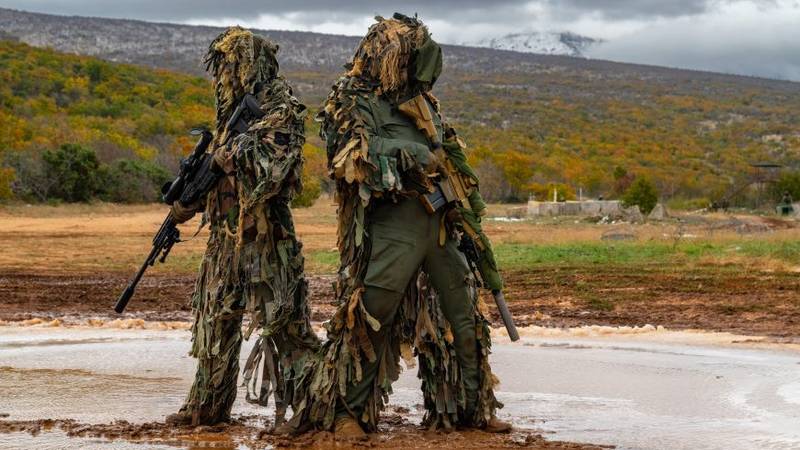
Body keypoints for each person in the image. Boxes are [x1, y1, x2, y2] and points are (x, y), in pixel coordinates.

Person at [285, 13, 511, 439]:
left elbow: (448, 150)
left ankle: (473, 408)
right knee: (371, 318)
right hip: (393, 222)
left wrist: (467, 199)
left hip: (439, 224)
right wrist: (408, 153)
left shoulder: (424, 102)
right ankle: (347, 413)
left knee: (464, 319)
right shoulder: (352, 96)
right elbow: (346, 154)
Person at [165, 26, 319, 427]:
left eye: (231, 66)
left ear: (252, 65)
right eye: (221, 68)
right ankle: (207, 407)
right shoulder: (229, 115)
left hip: (267, 239)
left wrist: (226, 155)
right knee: (215, 323)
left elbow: (273, 168)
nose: (224, 76)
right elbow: (220, 176)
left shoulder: (280, 105)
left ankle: (310, 411)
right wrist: (192, 197)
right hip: (224, 240)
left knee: (284, 325)